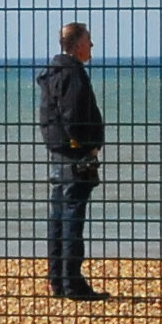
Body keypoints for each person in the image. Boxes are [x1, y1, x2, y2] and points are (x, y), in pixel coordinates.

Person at [36, 21, 105, 300]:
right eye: (88, 41)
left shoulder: (53, 74)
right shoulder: (72, 74)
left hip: (58, 153)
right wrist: (87, 147)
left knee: (59, 217)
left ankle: (59, 280)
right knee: (73, 217)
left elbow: (52, 117)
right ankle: (73, 283)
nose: (91, 46)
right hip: (74, 155)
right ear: (77, 44)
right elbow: (74, 114)